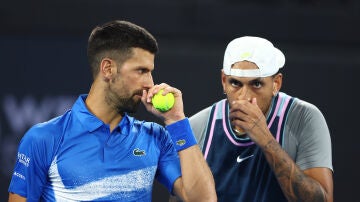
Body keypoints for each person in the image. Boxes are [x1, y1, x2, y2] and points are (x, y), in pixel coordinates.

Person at [8, 20, 216, 202]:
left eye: (150, 72)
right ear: (108, 69)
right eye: (141, 71)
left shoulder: (156, 138)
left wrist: (177, 120)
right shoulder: (43, 138)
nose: (150, 83)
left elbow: (203, 199)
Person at [171, 36, 333, 202]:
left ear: (276, 83)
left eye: (256, 84)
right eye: (235, 83)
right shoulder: (197, 127)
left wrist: (264, 138)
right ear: (224, 81)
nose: (245, 97)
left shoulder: (304, 118)